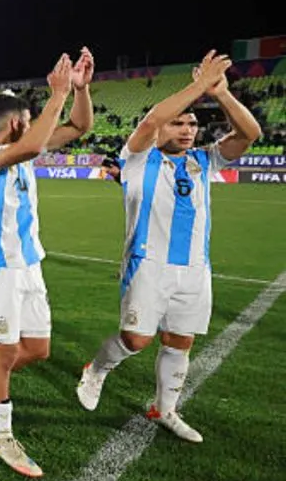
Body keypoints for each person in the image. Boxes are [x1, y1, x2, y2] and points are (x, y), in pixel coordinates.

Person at [76, 50, 260, 442]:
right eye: (178, 123)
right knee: (135, 340)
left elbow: (249, 134)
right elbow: (151, 121)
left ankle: (165, 409)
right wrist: (198, 86)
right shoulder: (138, 159)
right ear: (162, 128)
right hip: (148, 264)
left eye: (192, 123)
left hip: (194, 268)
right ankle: (96, 371)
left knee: (180, 342)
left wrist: (221, 94)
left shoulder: (203, 160)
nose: (187, 129)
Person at [0, 48, 94, 478]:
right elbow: (33, 143)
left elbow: (80, 126)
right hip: (0, 269)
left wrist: (80, 90)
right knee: (5, 351)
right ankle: (2, 437)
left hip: (29, 264)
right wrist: (57, 94)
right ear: (16, 124)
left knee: (37, 348)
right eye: (30, 120)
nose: (36, 126)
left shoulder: (26, 147)